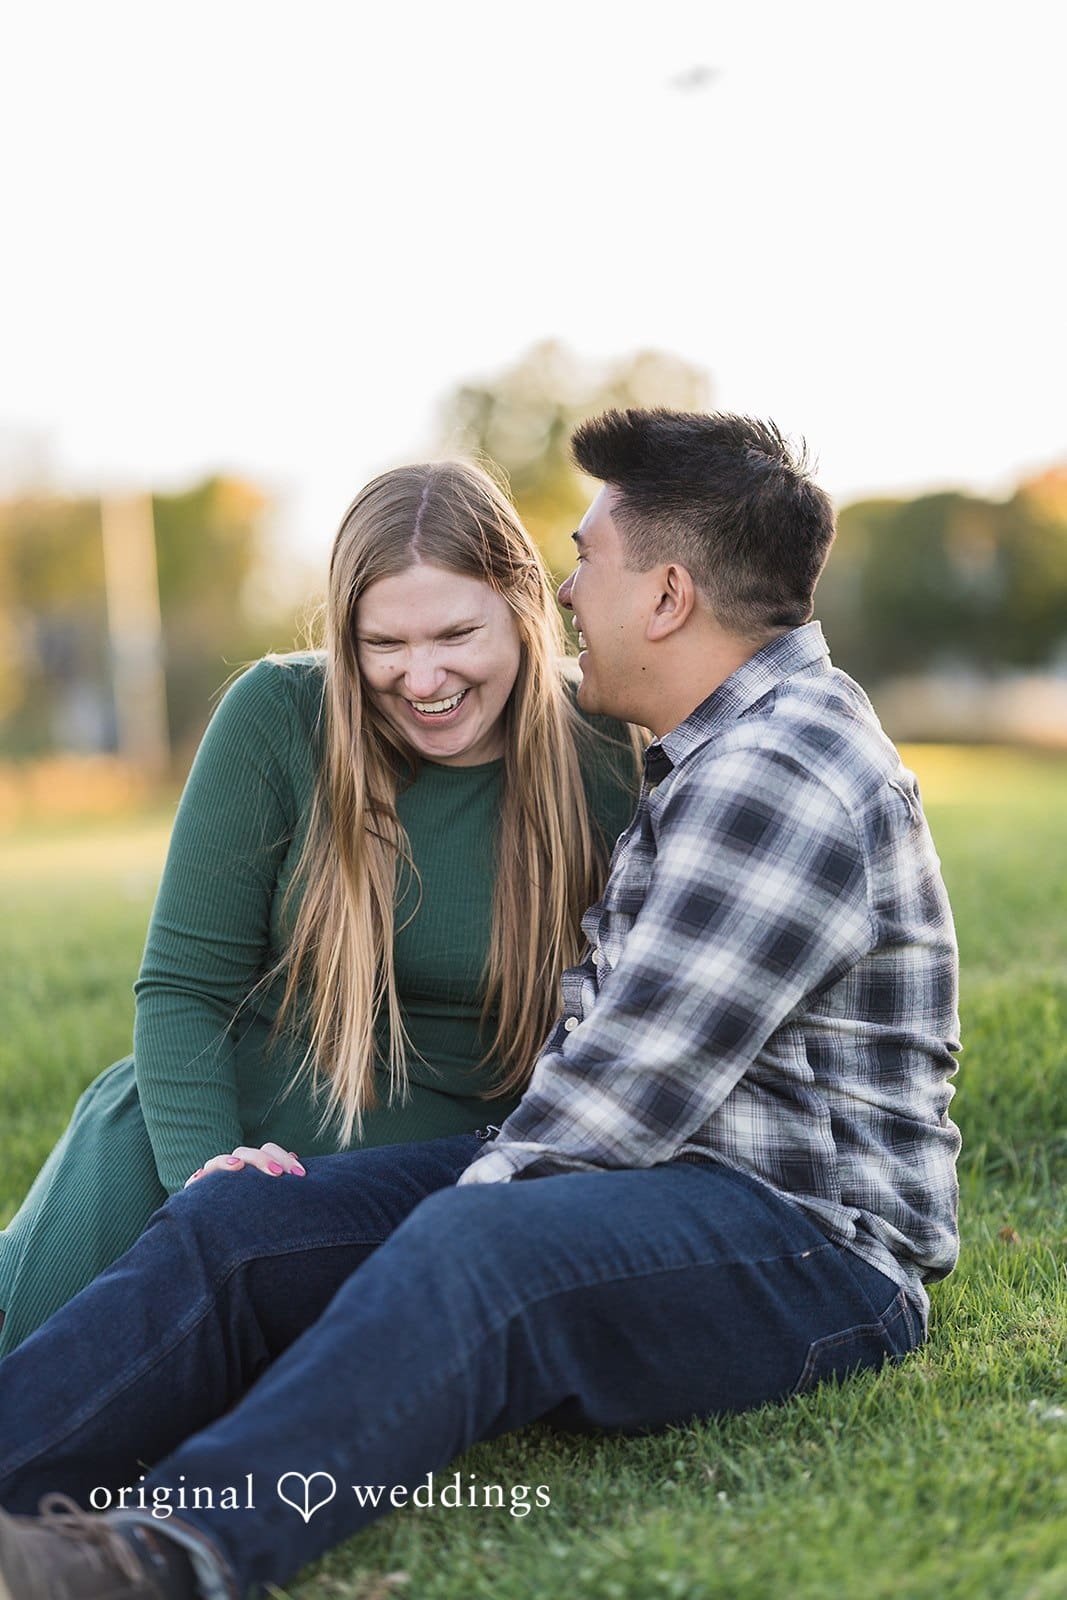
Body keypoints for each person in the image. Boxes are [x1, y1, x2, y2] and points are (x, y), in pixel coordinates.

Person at [0, 408, 961, 1600]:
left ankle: (156, 1556)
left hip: (810, 1244)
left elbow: (606, 1113)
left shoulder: (777, 771)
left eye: (586, 560)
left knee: (469, 1243)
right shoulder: (704, 750)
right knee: (242, 1224)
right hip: (663, 1181)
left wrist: (399, 1255)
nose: (567, 593)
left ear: (666, 595)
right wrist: (311, 1226)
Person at [0, 460, 639, 1355]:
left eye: (457, 633)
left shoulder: (606, 744)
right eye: (385, 643)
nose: (423, 677)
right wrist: (210, 1185)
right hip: (214, 1136)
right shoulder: (279, 713)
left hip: (424, 1179)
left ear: (523, 607)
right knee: (31, 1357)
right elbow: (184, 988)